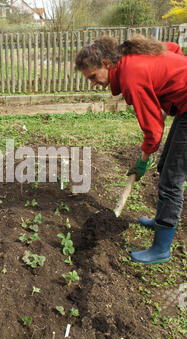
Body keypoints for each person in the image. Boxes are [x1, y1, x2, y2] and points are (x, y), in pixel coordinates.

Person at [75, 35, 187, 265]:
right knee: (166, 165)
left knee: (171, 179)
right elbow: (173, 49)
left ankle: (161, 248)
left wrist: (144, 157)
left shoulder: (130, 76)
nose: (94, 83)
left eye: (94, 77)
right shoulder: (128, 58)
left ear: (106, 63)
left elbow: (153, 128)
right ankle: (160, 219)